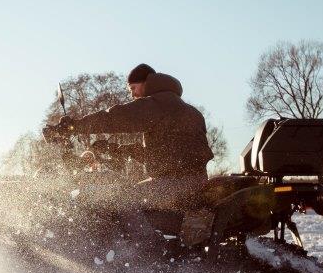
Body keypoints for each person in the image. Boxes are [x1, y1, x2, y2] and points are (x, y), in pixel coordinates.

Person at [55, 64, 213, 213]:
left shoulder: (157, 105)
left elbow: (115, 118)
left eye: (133, 88)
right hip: (194, 182)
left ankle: (142, 242)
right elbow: (169, 155)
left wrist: (74, 126)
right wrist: (117, 149)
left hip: (174, 185)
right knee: (128, 193)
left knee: (117, 199)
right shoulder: (190, 110)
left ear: (147, 84)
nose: (132, 94)